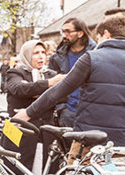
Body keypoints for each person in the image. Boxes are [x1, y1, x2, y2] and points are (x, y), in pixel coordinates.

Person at [18, 15, 125, 146]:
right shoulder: (63, 56)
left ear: (107, 34)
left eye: (99, 37)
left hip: (90, 137)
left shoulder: (92, 58)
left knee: (74, 166)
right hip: (121, 139)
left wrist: (28, 113)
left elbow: (59, 90)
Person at [3, 40, 62, 170]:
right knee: (18, 174)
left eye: (43, 52)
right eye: (36, 53)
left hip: (46, 135)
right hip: (21, 135)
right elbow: (19, 89)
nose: (41, 56)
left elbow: (63, 95)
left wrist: (35, 91)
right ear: (27, 55)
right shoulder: (15, 73)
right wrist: (48, 85)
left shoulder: (51, 74)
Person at [48, 18, 95, 127]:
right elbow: (51, 87)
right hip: (66, 113)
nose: (64, 35)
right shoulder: (55, 59)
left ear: (80, 33)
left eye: (68, 32)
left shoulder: (95, 55)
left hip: (90, 112)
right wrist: (61, 108)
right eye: (63, 32)